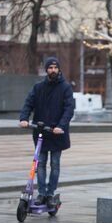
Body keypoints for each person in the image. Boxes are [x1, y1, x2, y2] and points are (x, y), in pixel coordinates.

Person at [19, 56, 74, 208]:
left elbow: (69, 109)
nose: (53, 70)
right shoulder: (38, 88)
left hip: (57, 132)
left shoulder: (66, 88)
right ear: (46, 70)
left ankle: (50, 194)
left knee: (55, 164)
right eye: (50, 68)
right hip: (41, 131)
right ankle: (42, 193)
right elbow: (28, 103)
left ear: (59, 69)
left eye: (55, 68)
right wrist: (24, 118)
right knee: (40, 164)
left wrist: (61, 126)